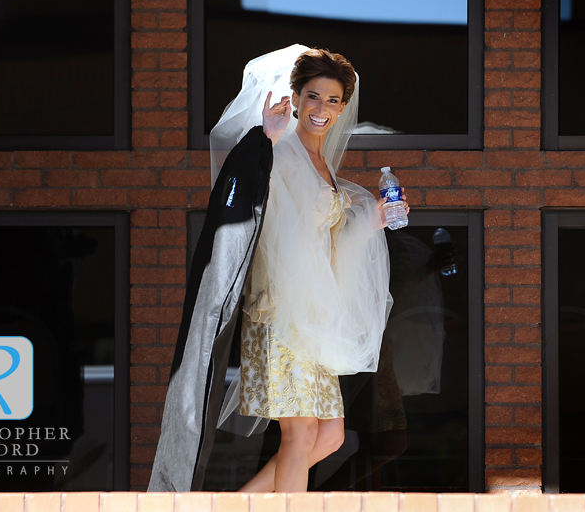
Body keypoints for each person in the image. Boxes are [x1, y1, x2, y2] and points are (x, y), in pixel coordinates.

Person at [149, 45, 406, 492]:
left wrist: (375, 221)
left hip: (314, 318)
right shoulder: (280, 152)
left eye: (331, 100)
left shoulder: (323, 164)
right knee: (301, 433)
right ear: (296, 97)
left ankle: (235, 507)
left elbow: (327, 243)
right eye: (311, 96)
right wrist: (266, 137)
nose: (321, 109)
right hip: (281, 314)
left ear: (343, 107)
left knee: (328, 437)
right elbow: (247, 196)